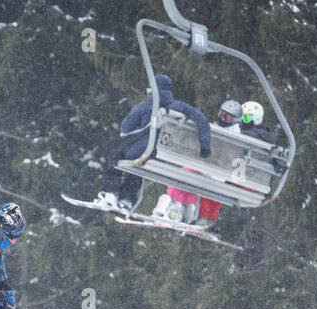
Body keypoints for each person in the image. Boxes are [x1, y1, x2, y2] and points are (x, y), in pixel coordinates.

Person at [95, 73, 212, 213]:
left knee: (118, 155)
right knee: (138, 164)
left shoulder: (145, 106)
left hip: (142, 152)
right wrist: (205, 146)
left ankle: (111, 193)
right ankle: (126, 200)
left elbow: (126, 128)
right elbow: (202, 121)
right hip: (163, 157)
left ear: (153, 89)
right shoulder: (181, 107)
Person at [154, 99, 241, 229]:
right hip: (214, 172)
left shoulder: (231, 134)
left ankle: (173, 207)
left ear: (234, 120)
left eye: (227, 117)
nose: (223, 119)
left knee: (182, 176)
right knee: (190, 177)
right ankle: (186, 211)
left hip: (211, 171)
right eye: (222, 114)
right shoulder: (232, 132)